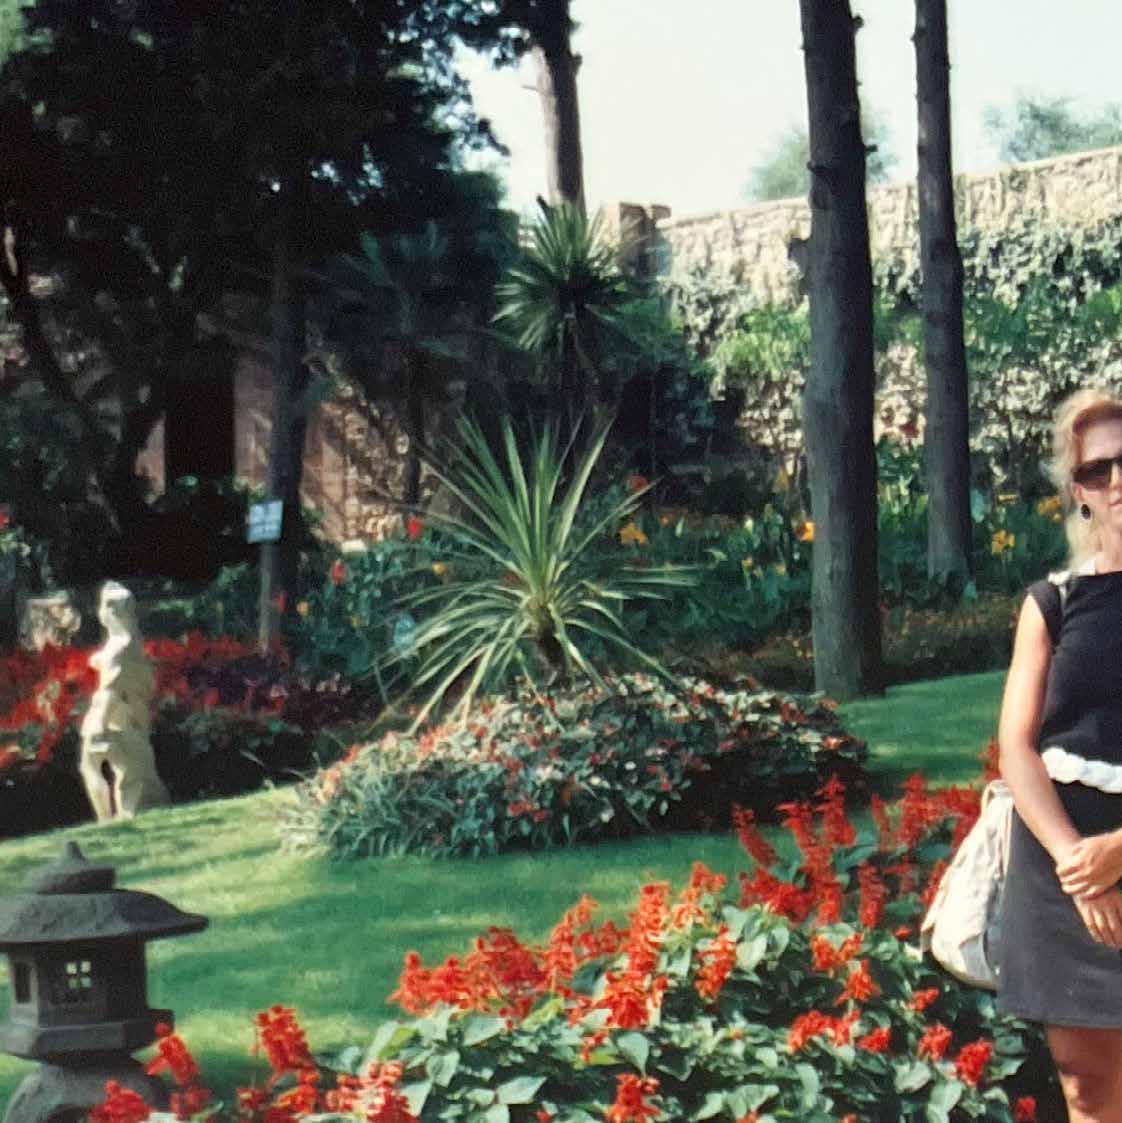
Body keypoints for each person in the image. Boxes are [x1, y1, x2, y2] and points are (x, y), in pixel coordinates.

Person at [1000, 387, 1122, 1123]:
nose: (1116, 481)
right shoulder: (1053, 600)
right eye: (1096, 470)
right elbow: (1016, 748)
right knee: (1086, 1087)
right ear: (1077, 490)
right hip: (1060, 863)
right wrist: (1079, 862)